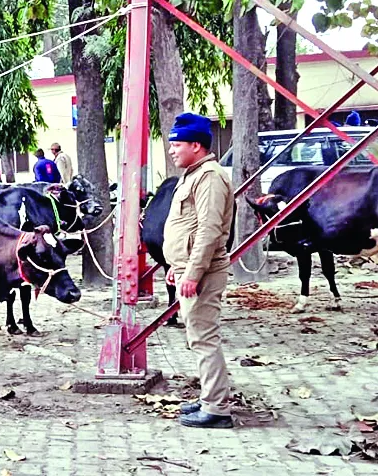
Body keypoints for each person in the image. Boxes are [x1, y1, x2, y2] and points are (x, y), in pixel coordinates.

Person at [162, 112, 236, 429]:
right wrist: (177, 267)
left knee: (204, 339)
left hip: (204, 273)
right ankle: (210, 397)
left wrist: (192, 273)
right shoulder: (193, 175)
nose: (171, 150)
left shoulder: (210, 177)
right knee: (198, 338)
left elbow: (208, 230)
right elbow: (188, 228)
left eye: (177, 144)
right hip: (191, 269)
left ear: (196, 145)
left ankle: (217, 409)